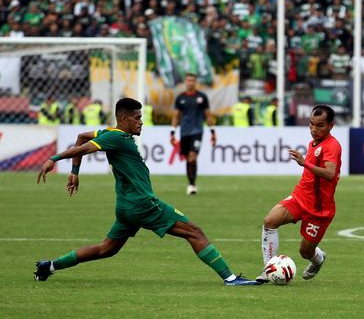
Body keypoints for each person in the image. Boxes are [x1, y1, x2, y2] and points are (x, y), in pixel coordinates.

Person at [34, 98, 258, 286]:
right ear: (124, 119)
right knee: (195, 232)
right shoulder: (115, 137)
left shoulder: (110, 133)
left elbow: (83, 136)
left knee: (106, 249)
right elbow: (83, 146)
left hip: (126, 207)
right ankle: (230, 278)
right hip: (143, 204)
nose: (141, 122)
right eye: (137, 118)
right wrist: (53, 159)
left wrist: (75, 171)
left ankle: (50, 265)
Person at [256, 105, 341, 283]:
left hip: (319, 209)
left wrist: (305, 163)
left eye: (320, 125)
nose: (314, 129)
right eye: (311, 124)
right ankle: (267, 269)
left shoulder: (332, 146)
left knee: (305, 252)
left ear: (331, 126)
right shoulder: (313, 143)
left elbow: (330, 173)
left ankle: (318, 259)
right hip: (300, 197)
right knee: (270, 222)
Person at [170, 73, 216, 195]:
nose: (190, 83)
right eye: (188, 80)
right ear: (186, 82)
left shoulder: (202, 97)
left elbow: (208, 115)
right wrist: (172, 132)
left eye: (192, 81)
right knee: (188, 159)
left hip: (197, 131)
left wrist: (213, 132)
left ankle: (192, 185)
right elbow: (176, 116)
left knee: (192, 156)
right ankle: (190, 182)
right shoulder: (180, 98)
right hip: (184, 132)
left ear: (195, 82)